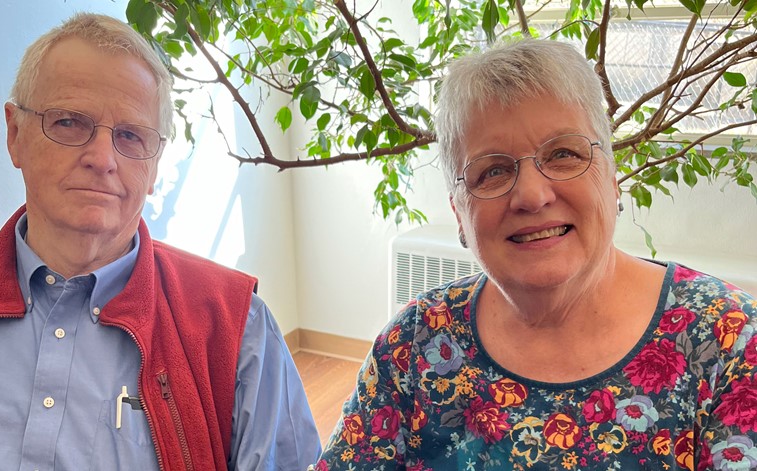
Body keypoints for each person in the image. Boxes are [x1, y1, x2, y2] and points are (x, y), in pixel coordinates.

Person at [313, 39, 757, 470]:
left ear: (613, 177)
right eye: (493, 171)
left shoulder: (730, 342)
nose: (531, 194)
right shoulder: (414, 345)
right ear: (460, 215)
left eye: (563, 154)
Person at [0, 13, 320, 471]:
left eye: (130, 135)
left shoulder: (238, 328)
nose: (102, 159)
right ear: (15, 134)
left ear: (156, 164)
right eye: (68, 122)